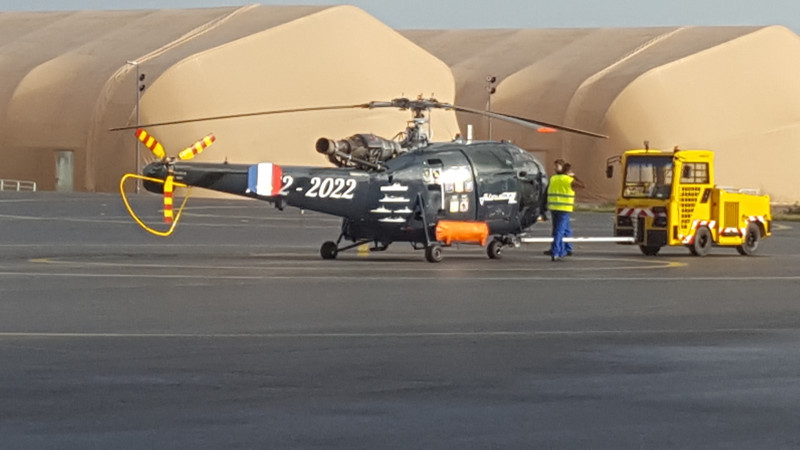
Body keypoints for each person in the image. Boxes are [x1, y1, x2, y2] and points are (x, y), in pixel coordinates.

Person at [546, 161, 584, 261]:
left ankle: (566, 249)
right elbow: (582, 185)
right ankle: (556, 251)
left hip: (554, 207)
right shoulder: (569, 180)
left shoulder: (553, 178)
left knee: (561, 229)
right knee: (560, 230)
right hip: (564, 208)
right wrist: (574, 176)